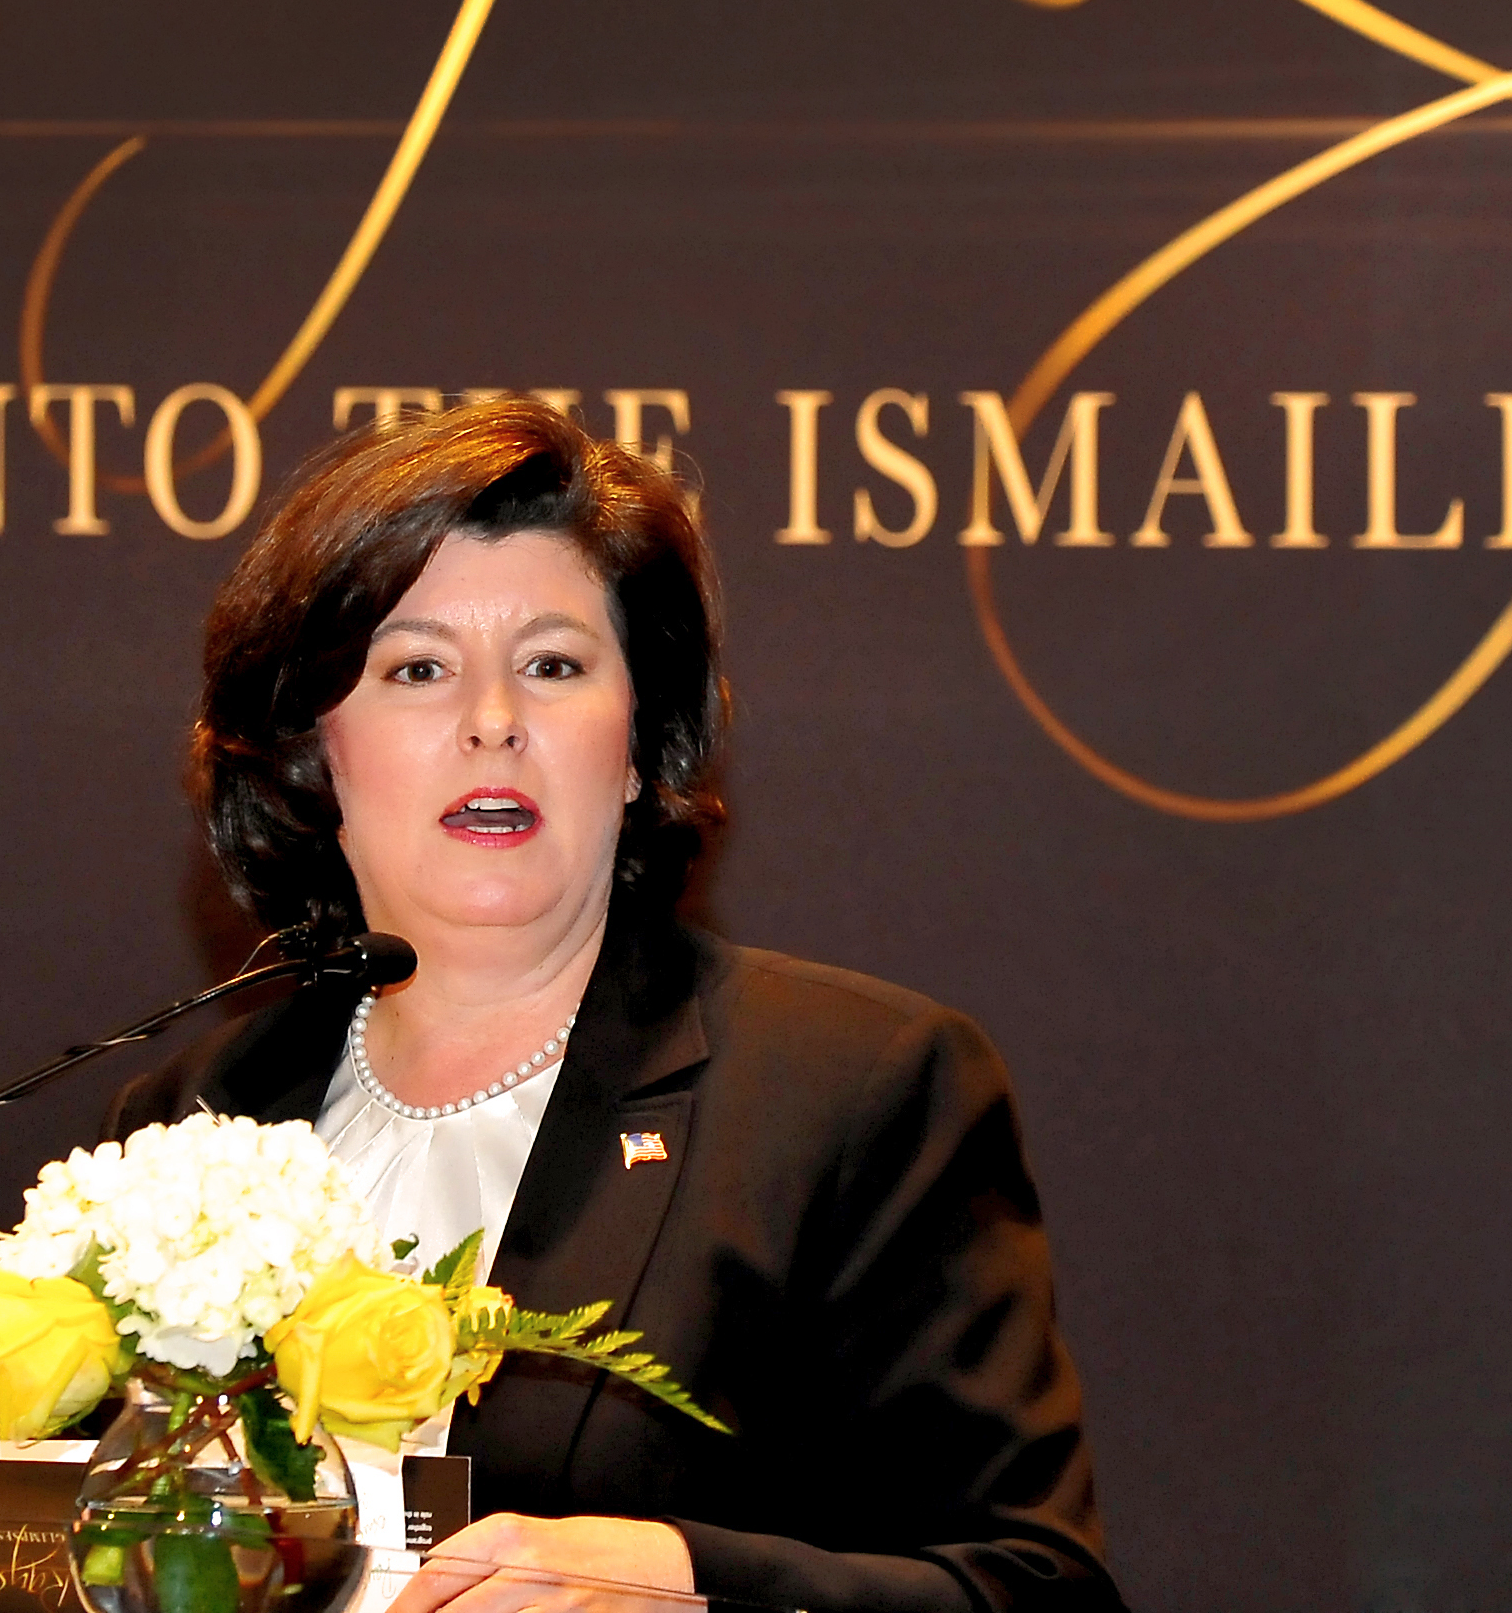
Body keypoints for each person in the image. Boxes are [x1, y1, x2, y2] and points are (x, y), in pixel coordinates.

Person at [103, 400, 1121, 1613]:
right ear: (315, 753)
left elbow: (1033, 1588)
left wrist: (681, 1580)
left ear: (637, 741)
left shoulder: (851, 1091)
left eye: (553, 665)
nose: (492, 722)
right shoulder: (194, 1120)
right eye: (416, 669)